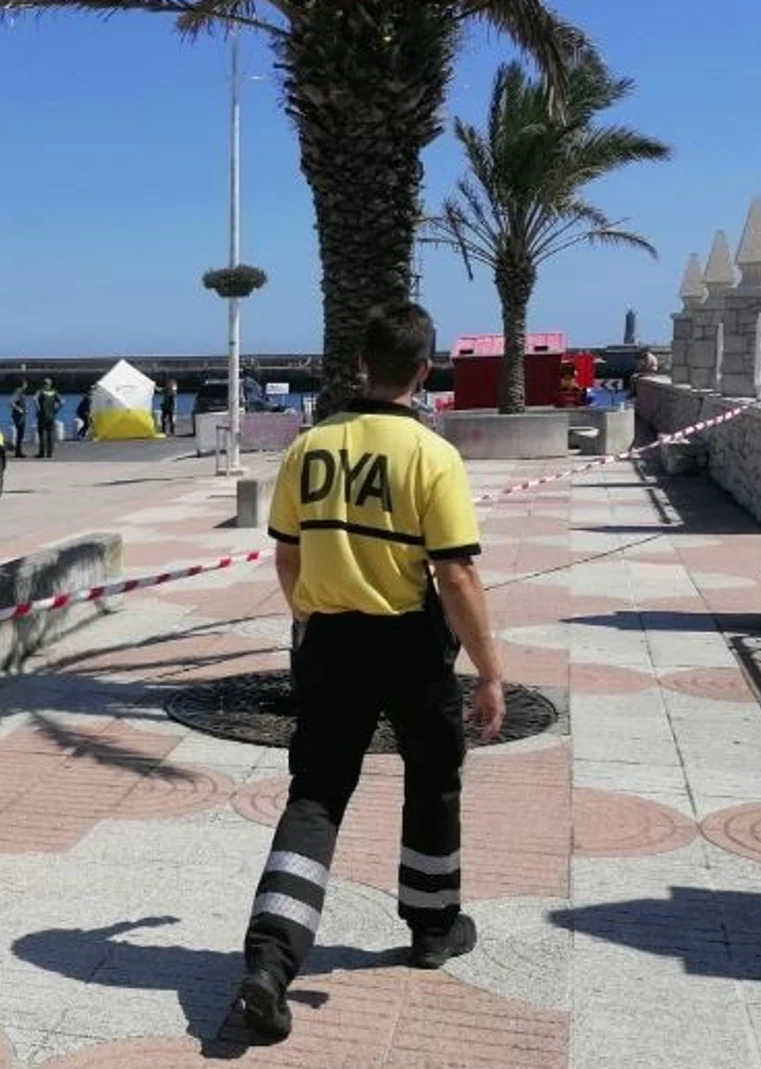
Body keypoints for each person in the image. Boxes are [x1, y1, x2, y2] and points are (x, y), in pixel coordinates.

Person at [232, 301, 507, 1042]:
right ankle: (431, 926)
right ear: (425, 369)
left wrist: (309, 619)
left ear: (361, 362)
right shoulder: (432, 456)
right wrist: (489, 672)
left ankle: (268, 962)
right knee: (432, 775)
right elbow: (455, 575)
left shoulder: (308, 447)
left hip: (327, 641)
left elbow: (287, 556)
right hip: (411, 647)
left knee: (316, 796)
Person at [35, 378, 61, 458]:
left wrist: (38, 408)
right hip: (52, 416)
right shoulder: (54, 392)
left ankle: (42, 453)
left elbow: (34, 399)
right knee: (51, 435)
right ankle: (50, 453)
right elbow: (62, 402)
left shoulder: (40, 391)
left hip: (42, 415)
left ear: (43, 384)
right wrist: (57, 410)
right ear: (50, 384)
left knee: (42, 434)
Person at [9, 381, 29, 458]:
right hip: (18, 416)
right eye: (26, 384)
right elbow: (11, 403)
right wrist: (19, 409)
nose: (27, 386)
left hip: (22, 416)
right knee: (20, 434)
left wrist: (25, 408)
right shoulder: (18, 392)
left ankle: (19, 451)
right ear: (23, 385)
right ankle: (18, 452)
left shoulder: (21, 393)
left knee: (21, 434)